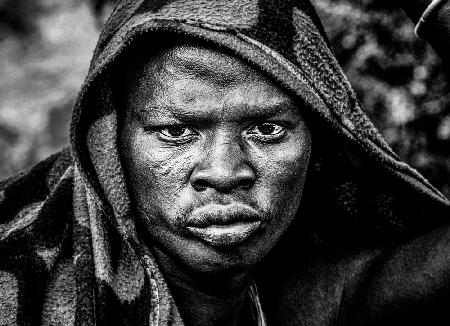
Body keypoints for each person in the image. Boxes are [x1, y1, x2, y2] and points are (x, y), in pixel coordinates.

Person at [0, 0, 449, 325]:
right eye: (176, 132)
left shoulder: (314, 298)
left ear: (319, 142)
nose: (224, 173)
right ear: (109, 149)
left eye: (267, 130)